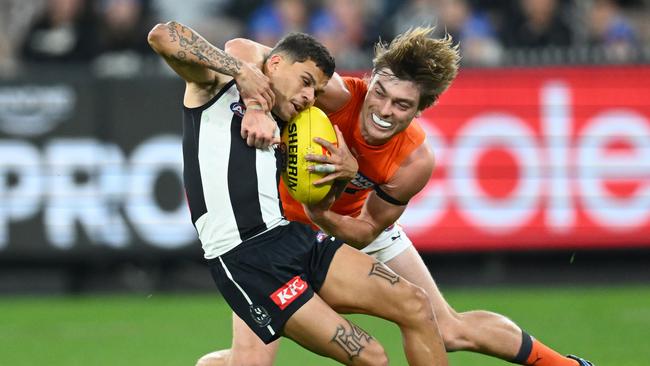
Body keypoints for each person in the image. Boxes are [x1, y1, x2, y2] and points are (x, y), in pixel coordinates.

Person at [198, 27, 594, 366]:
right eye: (380, 93)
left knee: (447, 328)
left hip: (350, 227)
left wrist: (329, 201)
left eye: (402, 104)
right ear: (371, 79)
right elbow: (243, 50)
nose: (383, 110)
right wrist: (255, 103)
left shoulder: (413, 162)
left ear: (421, 110)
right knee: (249, 361)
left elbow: (366, 230)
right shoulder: (334, 95)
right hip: (280, 231)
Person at [147, 21, 448, 366]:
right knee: (372, 356)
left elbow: (321, 203)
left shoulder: (293, 119)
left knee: (416, 304)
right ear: (273, 65)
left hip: (292, 236)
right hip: (246, 255)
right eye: (306, 83)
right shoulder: (213, 86)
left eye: (316, 90)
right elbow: (162, 36)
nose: (309, 98)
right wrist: (243, 75)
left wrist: (341, 180)